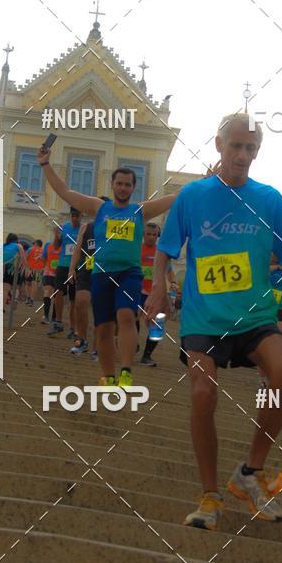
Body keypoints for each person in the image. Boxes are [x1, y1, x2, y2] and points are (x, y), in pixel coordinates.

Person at [145, 114, 282, 530]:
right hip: (204, 316)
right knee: (203, 393)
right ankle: (210, 494)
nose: (242, 155)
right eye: (235, 146)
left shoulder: (269, 199)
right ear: (218, 145)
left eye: (250, 148)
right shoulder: (192, 196)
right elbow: (165, 248)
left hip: (254, 315)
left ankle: (249, 472)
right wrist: (158, 289)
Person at [37, 145, 179, 389]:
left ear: (133, 188)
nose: (123, 188)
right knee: (102, 327)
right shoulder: (99, 208)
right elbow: (65, 191)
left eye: (128, 184)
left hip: (129, 273)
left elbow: (175, 198)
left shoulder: (140, 211)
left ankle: (125, 369)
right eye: (119, 183)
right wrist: (45, 164)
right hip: (102, 274)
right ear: (112, 185)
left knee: (125, 316)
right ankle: (108, 375)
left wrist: (206, 182)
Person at [138, 221, 178, 367]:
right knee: (130, 319)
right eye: (148, 234)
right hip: (137, 292)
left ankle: (146, 356)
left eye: (154, 235)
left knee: (157, 325)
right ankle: (132, 342)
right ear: (143, 235)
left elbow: (169, 271)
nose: (151, 237)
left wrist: (173, 283)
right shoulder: (136, 250)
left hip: (154, 295)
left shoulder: (160, 254)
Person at [48, 208, 81, 337]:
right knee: (58, 293)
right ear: (70, 215)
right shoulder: (64, 228)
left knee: (73, 299)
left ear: (81, 215)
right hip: (63, 265)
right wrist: (56, 236)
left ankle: (73, 328)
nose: (75, 218)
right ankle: (58, 323)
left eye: (77, 216)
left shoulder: (84, 229)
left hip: (77, 267)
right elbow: (56, 246)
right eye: (73, 215)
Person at [69, 220, 97, 356]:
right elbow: (78, 248)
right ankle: (82, 340)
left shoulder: (115, 225)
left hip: (106, 271)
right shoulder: (86, 227)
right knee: (80, 303)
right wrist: (71, 269)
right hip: (86, 269)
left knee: (101, 310)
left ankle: (98, 346)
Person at [41, 229, 62, 324]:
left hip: (58, 272)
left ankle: (52, 318)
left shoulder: (63, 245)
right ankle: (48, 317)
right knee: (49, 292)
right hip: (50, 273)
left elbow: (43, 258)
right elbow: (43, 258)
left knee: (55, 294)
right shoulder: (48, 244)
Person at [3, 233, 27, 310]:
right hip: (15, 268)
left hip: (4, 268)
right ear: (16, 240)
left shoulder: (4, 246)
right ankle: (15, 299)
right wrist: (23, 269)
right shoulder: (19, 246)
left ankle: (2, 307)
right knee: (15, 287)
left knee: (5, 289)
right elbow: (23, 259)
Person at [24, 239, 44, 306]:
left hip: (29, 269)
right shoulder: (43, 251)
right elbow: (45, 261)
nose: (33, 244)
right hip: (38, 270)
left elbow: (25, 258)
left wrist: (26, 268)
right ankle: (32, 300)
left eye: (34, 243)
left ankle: (28, 298)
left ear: (36, 243)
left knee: (27, 284)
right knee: (34, 285)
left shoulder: (30, 249)